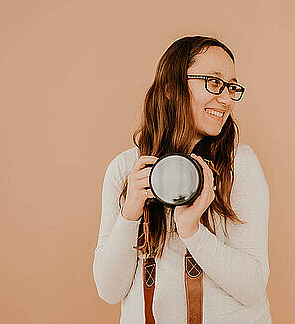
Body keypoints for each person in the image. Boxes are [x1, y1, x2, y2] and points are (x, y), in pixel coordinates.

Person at [92, 36, 272, 324]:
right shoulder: (126, 169)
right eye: (214, 82)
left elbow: (252, 286)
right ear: (169, 88)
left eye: (232, 87)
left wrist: (193, 232)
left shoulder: (240, 164)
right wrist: (130, 214)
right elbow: (109, 290)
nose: (225, 99)